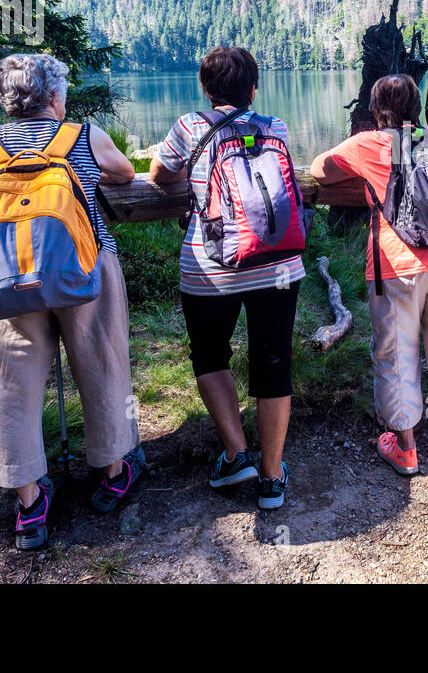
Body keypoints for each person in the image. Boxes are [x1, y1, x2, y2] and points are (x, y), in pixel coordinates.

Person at [0, 53, 144, 550]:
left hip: (9, 278)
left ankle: (29, 502)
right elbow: (123, 174)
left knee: (16, 383)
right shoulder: (81, 135)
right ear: (55, 97)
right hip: (84, 268)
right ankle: (112, 470)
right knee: (103, 365)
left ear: (6, 101)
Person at [148, 46, 305, 510]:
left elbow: (159, 175)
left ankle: (237, 455)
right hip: (278, 265)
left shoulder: (190, 126)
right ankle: (273, 477)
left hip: (210, 269)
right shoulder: (274, 127)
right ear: (253, 89)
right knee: (274, 359)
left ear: (205, 87)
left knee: (211, 355)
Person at [310, 74, 428, 477]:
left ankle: (405, 448)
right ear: (417, 106)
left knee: (396, 353)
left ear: (374, 109)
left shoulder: (367, 143)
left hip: (396, 264)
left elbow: (319, 170)